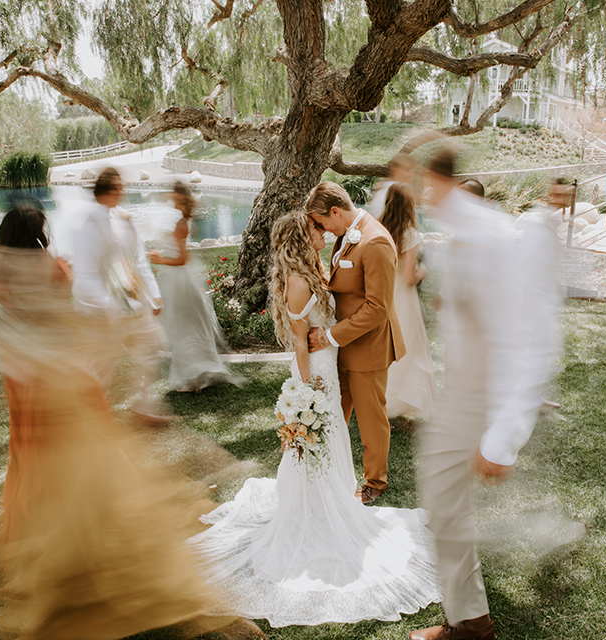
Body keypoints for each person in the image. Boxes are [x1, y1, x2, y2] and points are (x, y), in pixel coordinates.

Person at [0, 206, 234, 640]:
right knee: (94, 456)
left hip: (30, 383)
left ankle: (52, 542)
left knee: (37, 461)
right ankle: (104, 533)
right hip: (69, 377)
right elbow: (68, 321)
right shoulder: (55, 267)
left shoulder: (0, 275)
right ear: (38, 234)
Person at [188, 210, 441, 627]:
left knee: (328, 446)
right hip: (316, 378)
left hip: (328, 369)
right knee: (318, 446)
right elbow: (300, 346)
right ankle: (312, 515)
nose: (324, 232)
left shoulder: (312, 267)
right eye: (316, 229)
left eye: (323, 225)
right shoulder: (299, 280)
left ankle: (325, 506)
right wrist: (308, 393)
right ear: (301, 238)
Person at [409, 148, 563, 640]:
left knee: (443, 500)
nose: (419, 196)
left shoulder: (495, 235)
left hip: (481, 395)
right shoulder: (461, 231)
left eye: (422, 186)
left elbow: (529, 339)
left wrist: (504, 437)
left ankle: (472, 623)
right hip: (462, 389)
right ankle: (469, 617)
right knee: (442, 499)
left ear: (437, 181)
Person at [304, 182, 405, 505]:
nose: (322, 230)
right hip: (342, 345)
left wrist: (328, 336)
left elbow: (378, 308)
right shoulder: (347, 234)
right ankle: (331, 471)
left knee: (370, 419)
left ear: (335, 211)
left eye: (321, 223)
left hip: (368, 347)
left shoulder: (375, 242)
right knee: (335, 412)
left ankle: (375, 481)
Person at [70, 167, 168, 422]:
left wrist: (153, 293)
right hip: (103, 313)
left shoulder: (125, 219)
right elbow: (85, 276)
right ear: (107, 190)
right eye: (118, 186)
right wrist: (110, 307)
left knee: (151, 347)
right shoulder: (87, 225)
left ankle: (144, 405)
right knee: (101, 367)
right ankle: (88, 417)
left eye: (122, 186)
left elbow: (138, 260)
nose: (122, 190)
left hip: (133, 306)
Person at [149, 181, 241, 392]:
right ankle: (194, 376)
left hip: (181, 279)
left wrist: (159, 260)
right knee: (186, 326)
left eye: (171, 195)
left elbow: (181, 258)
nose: (168, 198)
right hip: (181, 279)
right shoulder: (183, 221)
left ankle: (195, 375)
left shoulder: (181, 223)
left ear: (178, 197)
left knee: (183, 327)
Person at [379, 182, 437, 419]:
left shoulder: (380, 229)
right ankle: (401, 402)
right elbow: (409, 277)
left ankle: (382, 396)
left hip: (385, 294)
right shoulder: (410, 234)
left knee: (386, 347)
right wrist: (424, 269)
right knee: (408, 349)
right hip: (404, 297)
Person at [367, 152, 418, 219]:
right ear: (396, 170)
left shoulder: (397, 190)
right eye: (407, 170)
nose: (412, 174)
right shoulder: (388, 194)